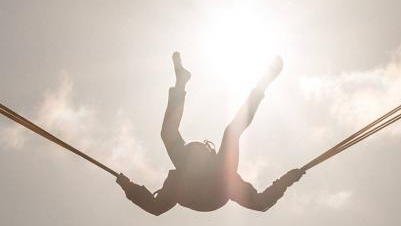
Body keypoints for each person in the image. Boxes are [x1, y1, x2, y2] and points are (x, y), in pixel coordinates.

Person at [117, 52, 303, 215]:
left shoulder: (215, 173)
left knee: (177, 134)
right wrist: (287, 180)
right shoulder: (214, 173)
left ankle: (182, 80)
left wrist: (127, 185)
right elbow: (260, 203)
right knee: (228, 133)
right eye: (194, 154)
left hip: (211, 190)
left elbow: (261, 203)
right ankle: (182, 80)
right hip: (207, 190)